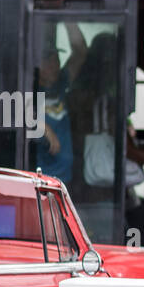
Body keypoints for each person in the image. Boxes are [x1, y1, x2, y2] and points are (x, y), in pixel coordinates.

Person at [33, 23, 87, 186]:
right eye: (49, 61)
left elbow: (80, 51)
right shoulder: (29, 89)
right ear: (38, 65)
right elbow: (14, 114)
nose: (55, 65)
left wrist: (69, 19)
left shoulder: (61, 82)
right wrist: (44, 127)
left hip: (65, 178)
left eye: (56, 59)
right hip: (40, 179)